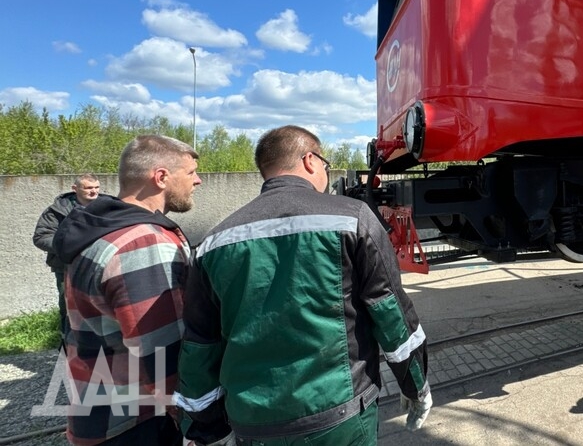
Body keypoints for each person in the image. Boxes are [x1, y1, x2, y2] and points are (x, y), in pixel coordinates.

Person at [176, 125, 431, 446]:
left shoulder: (213, 242)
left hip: (253, 426)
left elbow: (200, 345)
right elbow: (390, 312)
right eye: (325, 164)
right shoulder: (353, 218)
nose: (325, 171)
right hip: (340, 417)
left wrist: (206, 431)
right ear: (310, 160)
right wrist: (415, 386)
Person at [53, 136, 201, 446]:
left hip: (95, 408)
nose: (198, 181)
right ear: (161, 177)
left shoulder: (99, 229)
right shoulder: (142, 242)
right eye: (190, 173)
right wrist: (193, 420)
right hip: (134, 422)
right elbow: (161, 351)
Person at [32, 174, 104, 344]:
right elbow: (41, 237)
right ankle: (67, 349)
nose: (94, 191)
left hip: (100, 266)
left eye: (96, 188)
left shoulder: (108, 207)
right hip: (67, 268)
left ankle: (99, 348)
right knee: (69, 308)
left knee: (100, 307)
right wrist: (71, 245)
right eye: (88, 188)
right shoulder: (57, 210)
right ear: (75, 189)